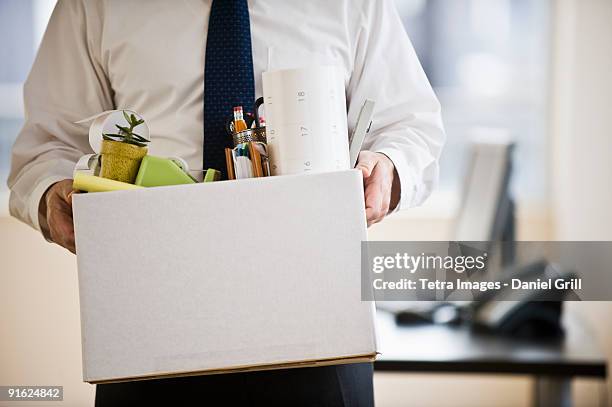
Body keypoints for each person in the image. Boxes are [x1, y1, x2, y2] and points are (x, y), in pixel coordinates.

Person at [8, 0, 445, 405]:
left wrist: (389, 165)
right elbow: (48, 145)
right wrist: (51, 193)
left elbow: (410, 124)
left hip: (319, 323)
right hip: (149, 328)